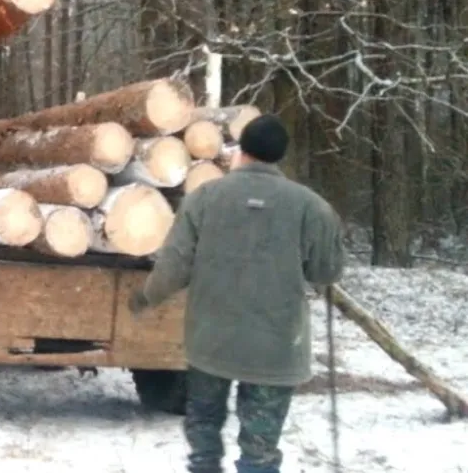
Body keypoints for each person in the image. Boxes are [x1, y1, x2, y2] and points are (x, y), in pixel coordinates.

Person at [129, 113, 347, 473]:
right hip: (276, 346)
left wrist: (146, 297)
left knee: (204, 439)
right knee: (260, 451)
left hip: (211, 342)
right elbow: (326, 272)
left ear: (240, 150)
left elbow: (174, 266)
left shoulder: (204, 198)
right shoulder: (312, 207)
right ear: (280, 156)